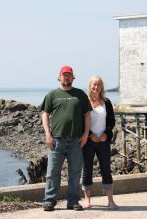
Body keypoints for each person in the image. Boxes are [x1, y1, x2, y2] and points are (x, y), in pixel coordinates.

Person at [41, 66, 92, 211]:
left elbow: (87, 115)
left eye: (69, 75)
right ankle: (49, 201)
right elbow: (45, 114)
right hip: (56, 140)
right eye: (64, 75)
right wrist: (48, 135)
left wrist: (86, 134)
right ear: (60, 77)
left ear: (73, 77)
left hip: (76, 140)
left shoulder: (80, 94)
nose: (67, 77)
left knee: (75, 172)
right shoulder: (52, 95)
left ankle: (73, 201)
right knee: (52, 172)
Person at [82, 75, 118, 209]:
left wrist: (105, 134)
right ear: (90, 86)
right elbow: (81, 122)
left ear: (101, 87)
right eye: (94, 84)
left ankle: (110, 201)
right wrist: (90, 135)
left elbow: (111, 122)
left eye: (98, 84)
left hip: (103, 141)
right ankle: (87, 200)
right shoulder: (84, 102)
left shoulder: (106, 102)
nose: (96, 87)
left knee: (106, 170)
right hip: (88, 141)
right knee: (87, 169)